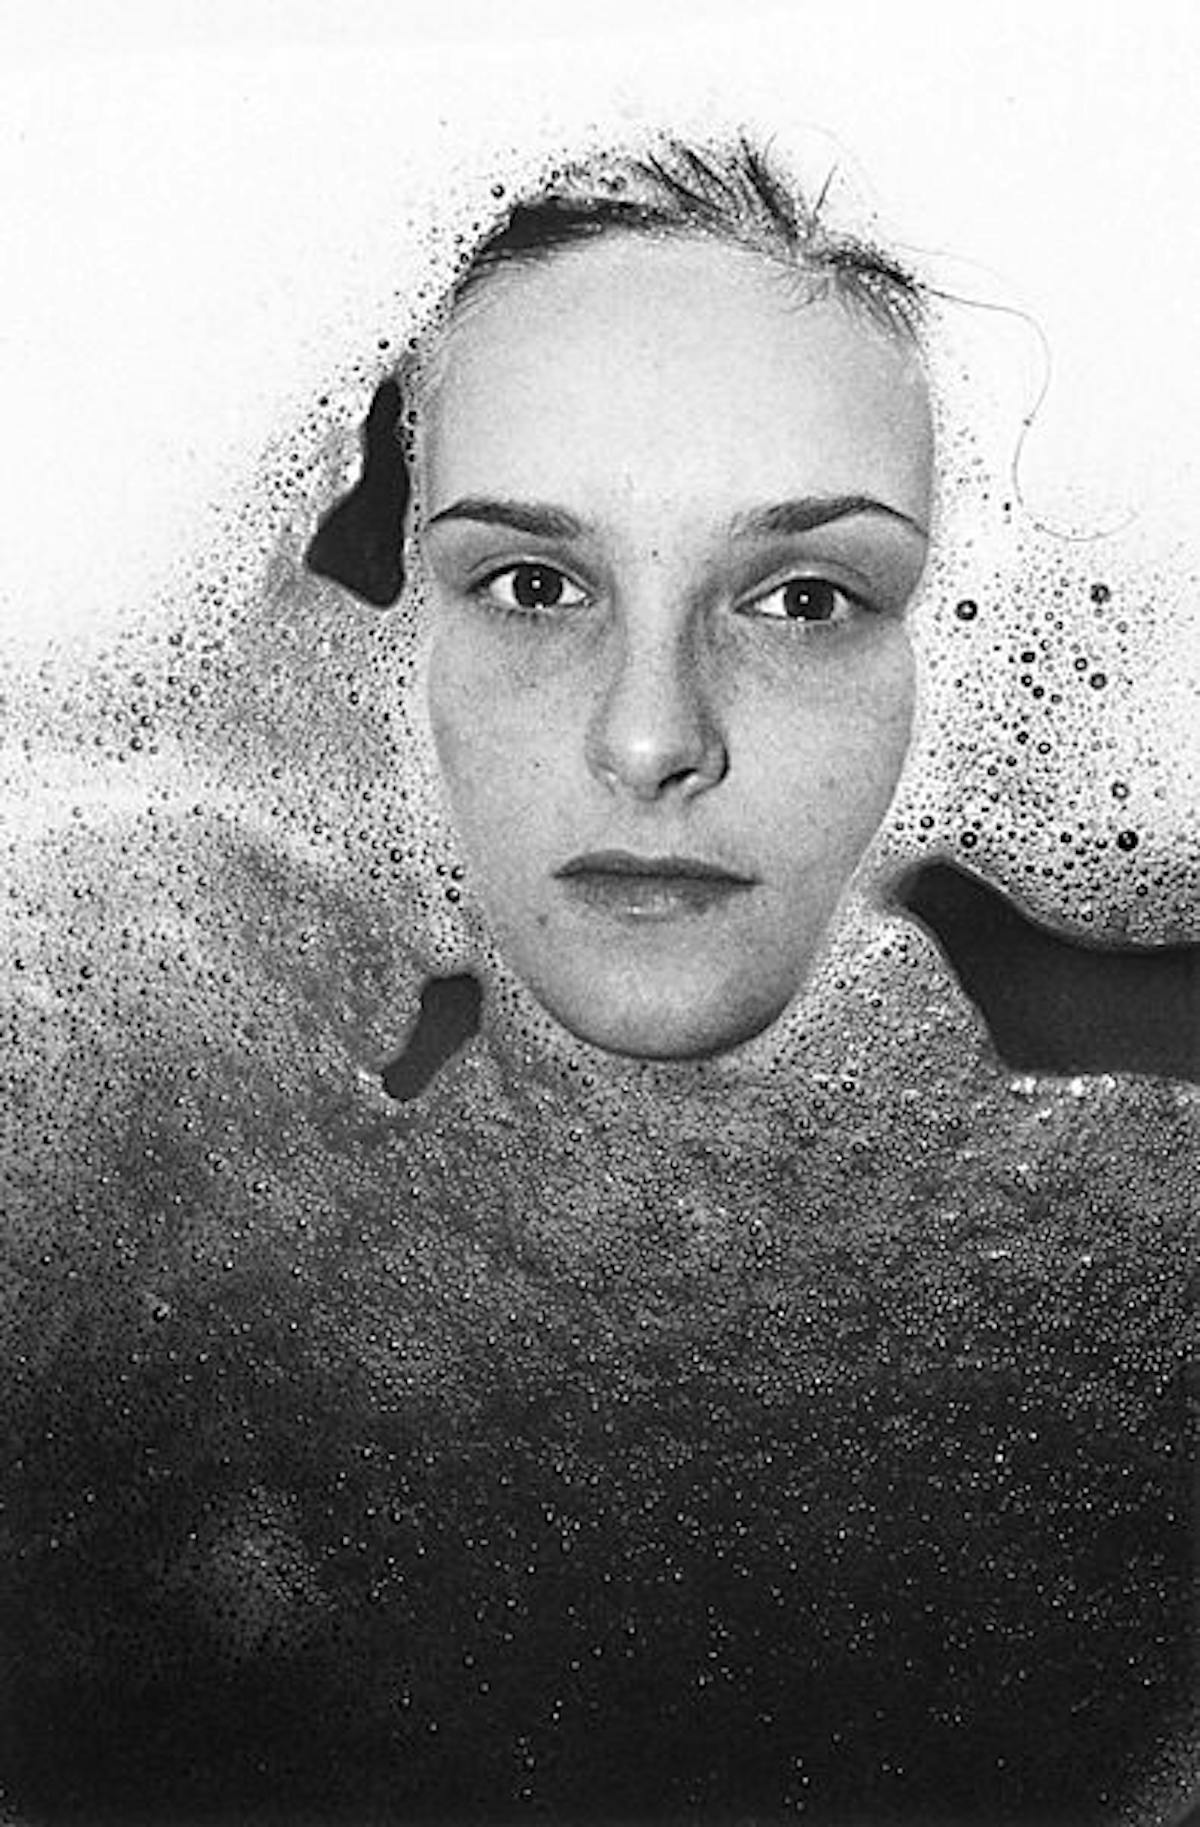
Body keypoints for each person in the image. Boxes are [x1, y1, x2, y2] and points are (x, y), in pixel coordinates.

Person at [2, 133, 1195, 1826]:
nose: (650, 739)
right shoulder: (122, 1177)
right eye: (534, 585)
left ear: (950, 656)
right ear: (397, 640)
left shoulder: (1148, 1270)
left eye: (805, 597)